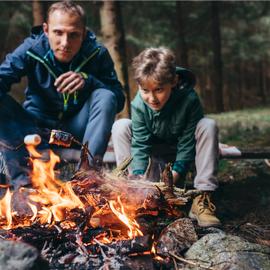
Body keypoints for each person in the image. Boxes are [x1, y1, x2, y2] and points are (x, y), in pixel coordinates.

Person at [0, 1, 125, 188]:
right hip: (35, 129)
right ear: (46, 30)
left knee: (105, 96)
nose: (65, 43)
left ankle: (87, 176)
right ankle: (25, 185)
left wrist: (89, 81)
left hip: (75, 134)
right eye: (58, 33)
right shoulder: (32, 49)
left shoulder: (97, 53)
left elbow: (119, 99)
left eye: (73, 35)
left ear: (83, 34)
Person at [111, 47, 221, 227]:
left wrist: (171, 179)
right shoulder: (140, 103)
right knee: (121, 126)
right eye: (145, 90)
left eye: (159, 89)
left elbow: (187, 143)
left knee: (208, 125)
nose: (152, 98)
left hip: (182, 157)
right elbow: (139, 144)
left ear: (174, 81)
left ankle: (202, 197)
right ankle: (130, 192)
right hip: (154, 159)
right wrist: (141, 182)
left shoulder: (189, 99)